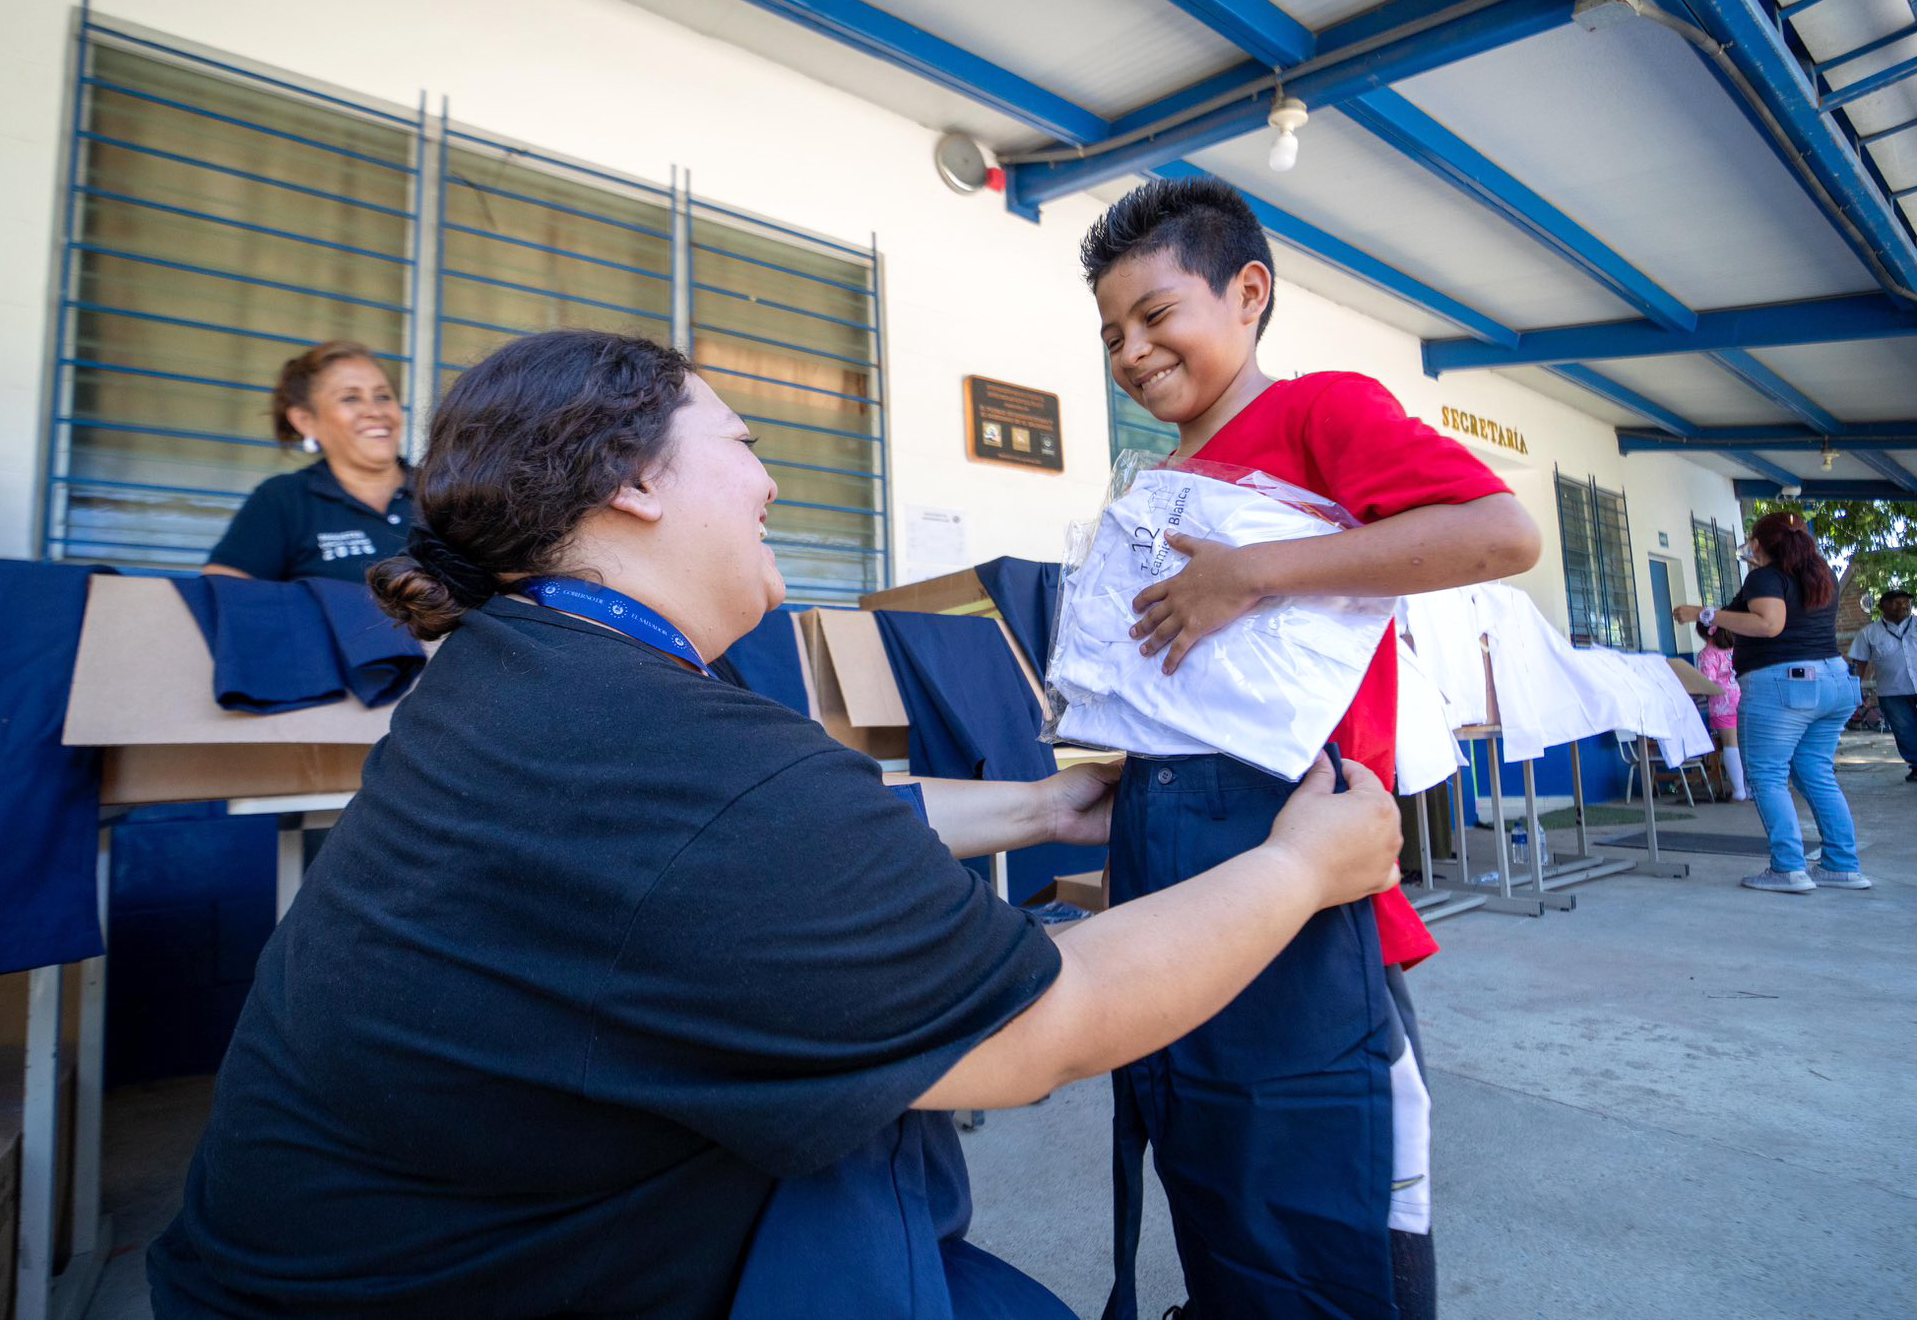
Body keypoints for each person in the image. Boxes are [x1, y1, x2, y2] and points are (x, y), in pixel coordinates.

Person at [144, 329, 1404, 1319]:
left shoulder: (520, 675)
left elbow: (772, 845)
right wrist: (1301, 868)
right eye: (741, 443)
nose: (769, 480)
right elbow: (1044, 1026)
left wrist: (1038, 804)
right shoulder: (672, 758)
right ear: (634, 479)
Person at [1083, 176, 1542, 1320]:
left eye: (1154, 315)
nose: (1130, 352)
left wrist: (1252, 572)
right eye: (1110, 333)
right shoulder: (1158, 485)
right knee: (1204, 1149)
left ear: (1248, 293)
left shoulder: (1315, 414)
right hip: (1174, 859)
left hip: (1306, 863)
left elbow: (1499, 532)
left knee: (1330, 1182)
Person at [1674, 512, 1867, 891]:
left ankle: (1788, 868)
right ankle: (1842, 865)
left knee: (1766, 776)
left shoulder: (1766, 578)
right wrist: (1755, 570)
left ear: (1759, 542)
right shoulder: (1821, 575)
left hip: (1784, 685)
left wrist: (1703, 613)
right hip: (1834, 680)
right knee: (1815, 772)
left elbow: (1769, 624)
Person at [202, 340, 417, 582]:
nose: (375, 411)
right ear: (306, 421)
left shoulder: (442, 492)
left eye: (383, 396)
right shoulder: (282, 499)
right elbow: (222, 593)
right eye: (350, 398)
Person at [1847, 587, 1915, 783]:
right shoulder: (1868, 633)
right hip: (1892, 692)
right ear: (1882, 606)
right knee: (1904, 731)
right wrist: (1854, 691)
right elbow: (1859, 663)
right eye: (1896, 602)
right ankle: (1916, 765)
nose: (1903, 605)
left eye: (1906, 602)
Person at [1694, 619, 1749, 801]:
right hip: (1744, 697)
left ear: (1703, 632)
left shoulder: (1707, 654)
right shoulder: (1736, 649)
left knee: (1730, 745)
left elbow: (1706, 682)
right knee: (1747, 745)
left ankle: (1739, 790)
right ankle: (1751, 787)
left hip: (1722, 703)